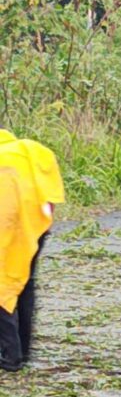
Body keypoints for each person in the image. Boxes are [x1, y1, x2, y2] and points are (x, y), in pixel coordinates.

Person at [0, 130, 65, 372]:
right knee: (25, 283)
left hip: (6, 229)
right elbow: (50, 197)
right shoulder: (30, 152)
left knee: (3, 285)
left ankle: (11, 356)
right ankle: (23, 350)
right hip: (35, 228)